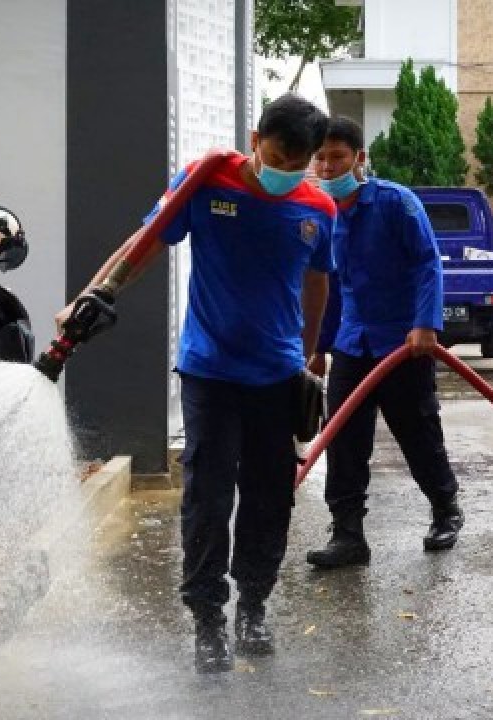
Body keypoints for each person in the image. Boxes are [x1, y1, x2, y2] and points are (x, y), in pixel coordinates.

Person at [55, 93, 335, 672]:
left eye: (298, 162)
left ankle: (253, 605)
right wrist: (91, 293)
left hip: (278, 375)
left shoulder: (318, 211)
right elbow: (147, 242)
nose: (286, 171)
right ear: (256, 139)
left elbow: (316, 284)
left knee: (269, 497)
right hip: (210, 369)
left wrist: (309, 356)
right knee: (207, 498)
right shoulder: (207, 180)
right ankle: (208, 618)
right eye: (278, 155)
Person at [305, 116, 463, 569]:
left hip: (403, 344)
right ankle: (348, 535)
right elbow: (332, 287)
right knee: (342, 437)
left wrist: (425, 324)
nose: (329, 166)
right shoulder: (325, 212)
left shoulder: (396, 203)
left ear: (360, 158)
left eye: (337, 157)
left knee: (417, 432)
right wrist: (320, 348)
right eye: (321, 159)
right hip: (353, 346)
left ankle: (445, 510)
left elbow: (426, 264)